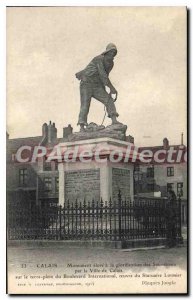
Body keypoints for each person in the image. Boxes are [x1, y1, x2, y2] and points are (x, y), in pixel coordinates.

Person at [75, 43, 121, 132]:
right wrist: (111, 88)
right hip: (86, 83)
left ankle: (114, 120)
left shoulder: (111, 63)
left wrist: (106, 89)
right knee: (85, 105)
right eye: (111, 52)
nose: (112, 54)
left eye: (114, 53)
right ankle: (82, 126)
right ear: (107, 52)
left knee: (108, 99)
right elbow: (103, 75)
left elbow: (104, 77)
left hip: (97, 86)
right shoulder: (99, 59)